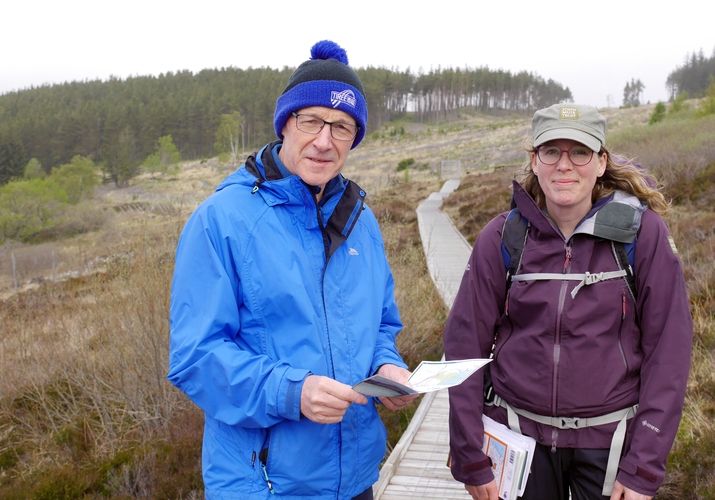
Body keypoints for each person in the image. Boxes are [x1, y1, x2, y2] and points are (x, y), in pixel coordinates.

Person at [167, 40, 417, 500]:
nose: (325, 141)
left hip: (357, 479)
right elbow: (195, 357)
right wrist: (291, 392)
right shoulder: (221, 219)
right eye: (311, 121)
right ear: (286, 123)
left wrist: (388, 366)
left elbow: (380, 323)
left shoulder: (361, 221)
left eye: (342, 127)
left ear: (355, 138)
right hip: (264, 486)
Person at [444, 103, 692, 500]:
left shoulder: (641, 236)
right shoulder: (502, 238)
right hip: (517, 437)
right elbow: (463, 348)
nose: (565, 165)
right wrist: (469, 452)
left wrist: (644, 463)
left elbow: (670, 352)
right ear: (534, 161)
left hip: (610, 444)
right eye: (551, 151)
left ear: (600, 162)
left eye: (580, 152)